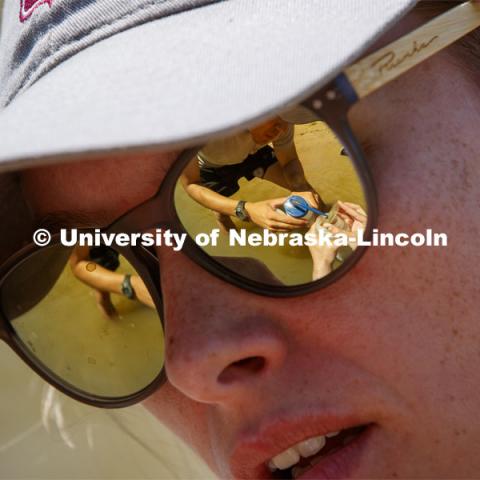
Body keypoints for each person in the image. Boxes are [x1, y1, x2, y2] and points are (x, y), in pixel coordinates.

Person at [1, 1, 480, 479]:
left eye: (275, 114)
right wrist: (247, 211)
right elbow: (196, 190)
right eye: (58, 256)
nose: (191, 365)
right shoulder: (216, 172)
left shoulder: (277, 149)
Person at [180, 116, 325, 232]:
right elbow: (191, 184)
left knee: (309, 195)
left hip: (254, 154)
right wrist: (244, 209)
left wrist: (300, 188)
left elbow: (289, 161)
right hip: (213, 167)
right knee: (222, 213)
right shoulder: (196, 126)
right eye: (274, 118)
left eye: (285, 118)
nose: (281, 129)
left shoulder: (284, 121)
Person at [69, 245, 155, 317]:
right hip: (99, 241)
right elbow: (80, 264)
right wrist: (131, 286)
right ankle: (109, 312)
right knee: (103, 269)